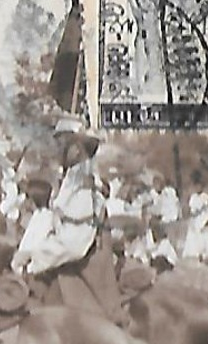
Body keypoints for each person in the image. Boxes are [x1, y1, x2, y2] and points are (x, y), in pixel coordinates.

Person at [11, 114, 124, 324]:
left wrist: (33, 258)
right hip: (68, 277)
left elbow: (73, 244)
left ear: (77, 148)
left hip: (81, 285)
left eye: (62, 141)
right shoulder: (72, 182)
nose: (57, 147)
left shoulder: (82, 187)